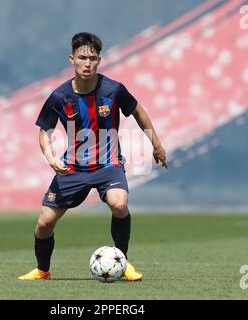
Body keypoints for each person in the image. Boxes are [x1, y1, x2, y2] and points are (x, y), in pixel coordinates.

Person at [19, 32, 167, 281]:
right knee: (44, 224)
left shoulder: (114, 90)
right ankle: (42, 270)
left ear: (99, 60)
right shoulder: (59, 96)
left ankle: (123, 261)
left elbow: (138, 111)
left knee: (119, 204)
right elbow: (44, 132)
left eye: (93, 58)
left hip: (109, 164)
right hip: (73, 168)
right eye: (82, 57)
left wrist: (156, 145)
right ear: (72, 59)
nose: (87, 63)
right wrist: (52, 158)